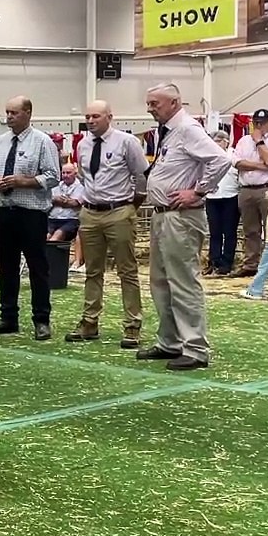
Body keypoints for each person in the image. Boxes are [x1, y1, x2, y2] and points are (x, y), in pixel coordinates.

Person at [139, 83, 232, 371]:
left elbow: (221, 160)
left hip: (180, 217)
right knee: (160, 282)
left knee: (182, 281)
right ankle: (170, 341)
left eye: (154, 103)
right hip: (163, 215)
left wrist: (199, 191)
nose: (150, 109)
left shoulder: (188, 128)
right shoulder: (166, 131)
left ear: (174, 102)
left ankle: (195, 348)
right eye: (149, 103)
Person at [64, 100, 150, 349]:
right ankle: (89, 322)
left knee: (127, 270)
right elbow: (84, 176)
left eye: (96, 116)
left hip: (119, 210)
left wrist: (133, 204)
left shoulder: (127, 142)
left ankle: (132, 325)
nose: (90, 121)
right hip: (90, 212)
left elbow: (141, 174)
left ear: (109, 117)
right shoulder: (83, 144)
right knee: (92, 270)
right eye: (87, 117)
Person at [0, 96, 61, 341]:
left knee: (38, 268)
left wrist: (23, 182)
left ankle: (41, 319)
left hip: (32, 214)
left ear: (28, 113)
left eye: (14, 112)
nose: (9, 117)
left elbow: (53, 176)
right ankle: (8, 317)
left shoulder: (43, 142)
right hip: (5, 212)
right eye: (7, 112)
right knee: (6, 267)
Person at [231, 109, 268, 279]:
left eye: (262, 123)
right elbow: (237, 162)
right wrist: (261, 166)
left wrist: (259, 142)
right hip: (247, 188)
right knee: (250, 230)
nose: (259, 126)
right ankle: (251, 264)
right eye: (256, 122)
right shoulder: (243, 141)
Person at [205, 131, 240, 276]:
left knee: (229, 231)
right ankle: (214, 261)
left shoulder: (234, 156)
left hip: (230, 196)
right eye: (214, 141)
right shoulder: (206, 156)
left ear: (226, 142)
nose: (217, 144)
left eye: (219, 141)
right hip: (212, 197)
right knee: (215, 232)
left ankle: (227, 263)